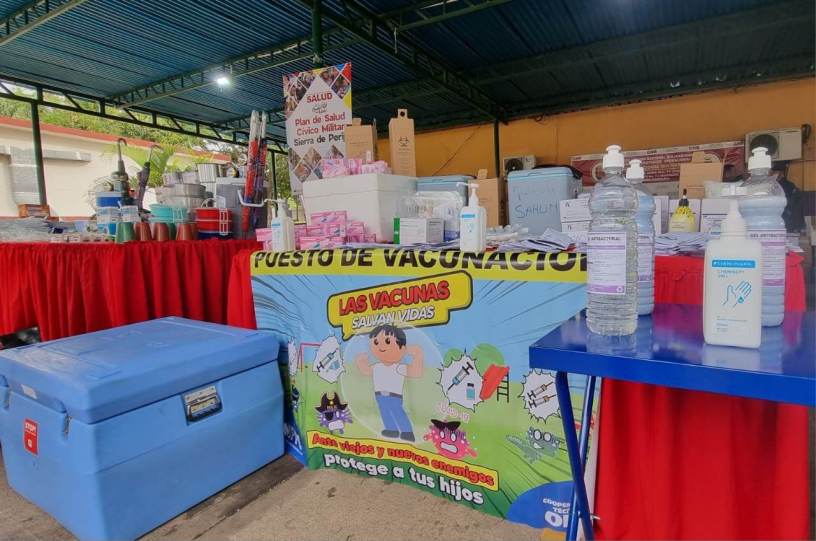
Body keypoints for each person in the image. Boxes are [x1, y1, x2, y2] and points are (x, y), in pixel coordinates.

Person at [355, 325, 424, 441]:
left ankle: (407, 432)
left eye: (387, 341)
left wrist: (418, 356)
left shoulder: (398, 367)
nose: (381, 347)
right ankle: (391, 430)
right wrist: (360, 362)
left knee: (398, 412)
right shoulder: (377, 366)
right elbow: (366, 371)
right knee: (384, 411)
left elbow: (416, 372)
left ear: (403, 348)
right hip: (379, 395)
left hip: (394, 396)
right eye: (376, 342)